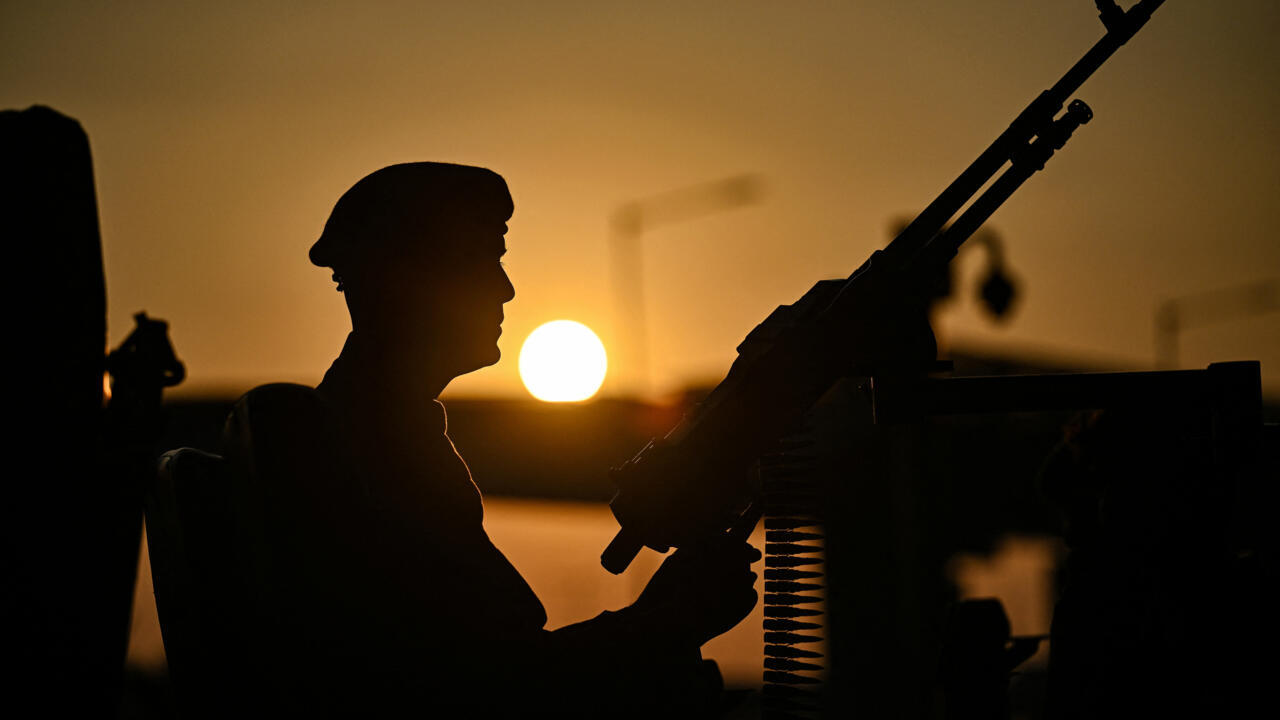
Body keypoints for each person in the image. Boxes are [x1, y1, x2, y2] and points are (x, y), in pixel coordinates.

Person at [226, 162, 760, 717]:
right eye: (487, 258)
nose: (506, 289)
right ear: (413, 278)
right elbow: (489, 690)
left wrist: (659, 622)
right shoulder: (372, 455)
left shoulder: (371, 435)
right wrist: (670, 622)